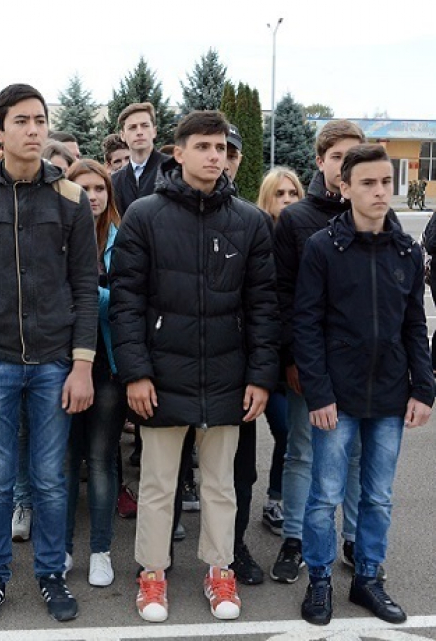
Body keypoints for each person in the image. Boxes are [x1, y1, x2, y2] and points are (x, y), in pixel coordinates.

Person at [109, 110, 278, 622]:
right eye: (202, 146)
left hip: (228, 379)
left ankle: (219, 570)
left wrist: (260, 376)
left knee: (220, 485)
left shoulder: (249, 221)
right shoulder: (144, 216)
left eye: (221, 148)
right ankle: (152, 575)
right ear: (177, 153)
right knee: (159, 484)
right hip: (161, 378)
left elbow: (264, 306)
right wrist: (136, 372)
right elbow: (126, 302)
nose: (214, 156)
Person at [0, 83, 98, 625]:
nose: (34, 130)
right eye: (21, 121)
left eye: (40, 120)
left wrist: (83, 365)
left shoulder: (72, 201)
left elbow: (86, 288)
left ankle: (51, 574)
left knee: (53, 479)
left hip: (56, 363)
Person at [294, 144, 434, 626]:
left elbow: (415, 324)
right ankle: (317, 582)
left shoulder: (406, 251)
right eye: (368, 183)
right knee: (325, 496)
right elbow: (306, 325)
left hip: (392, 397)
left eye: (385, 182)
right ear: (345, 187)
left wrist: (424, 389)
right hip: (338, 396)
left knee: (377, 496)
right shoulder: (322, 248)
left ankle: (368, 579)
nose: (379, 191)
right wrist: (319, 393)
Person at [271, 120, 373, 585]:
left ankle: (351, 539)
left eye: (354, 157)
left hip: (360, 365)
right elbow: (283, 295)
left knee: (353, 456)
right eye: (337, 157)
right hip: (310, 362)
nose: (344, 166)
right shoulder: (296, 219)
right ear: (320, 161)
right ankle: (293, 538)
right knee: (302, 452)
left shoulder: (372, 216)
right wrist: (291, 358)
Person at [64, 159, 125, 587]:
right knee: (65, 462)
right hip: (60, 362)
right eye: (83, 187)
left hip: (108, 363)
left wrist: (86, 292)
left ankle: (100, 550)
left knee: (102, 460)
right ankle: (62, 548)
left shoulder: (123, 239)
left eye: (99, 187)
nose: (93, 195)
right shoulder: (57, 237)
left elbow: (125, 300)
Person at [255, 167, 305, 538]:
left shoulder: (306, 240)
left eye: (293, 194)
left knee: (292, 433)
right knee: (285, 429)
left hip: (294, 356)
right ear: (266, 199)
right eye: (280, 194)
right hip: (261, 361)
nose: (287, 200)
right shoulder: (258, 237)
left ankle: (278, 498)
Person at [111, 102, 170, 215]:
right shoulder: (115, 182)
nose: (139, 132)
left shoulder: (172, 170)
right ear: (123, 135)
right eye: (132, 127)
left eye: (145, 126)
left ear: (154, 131)